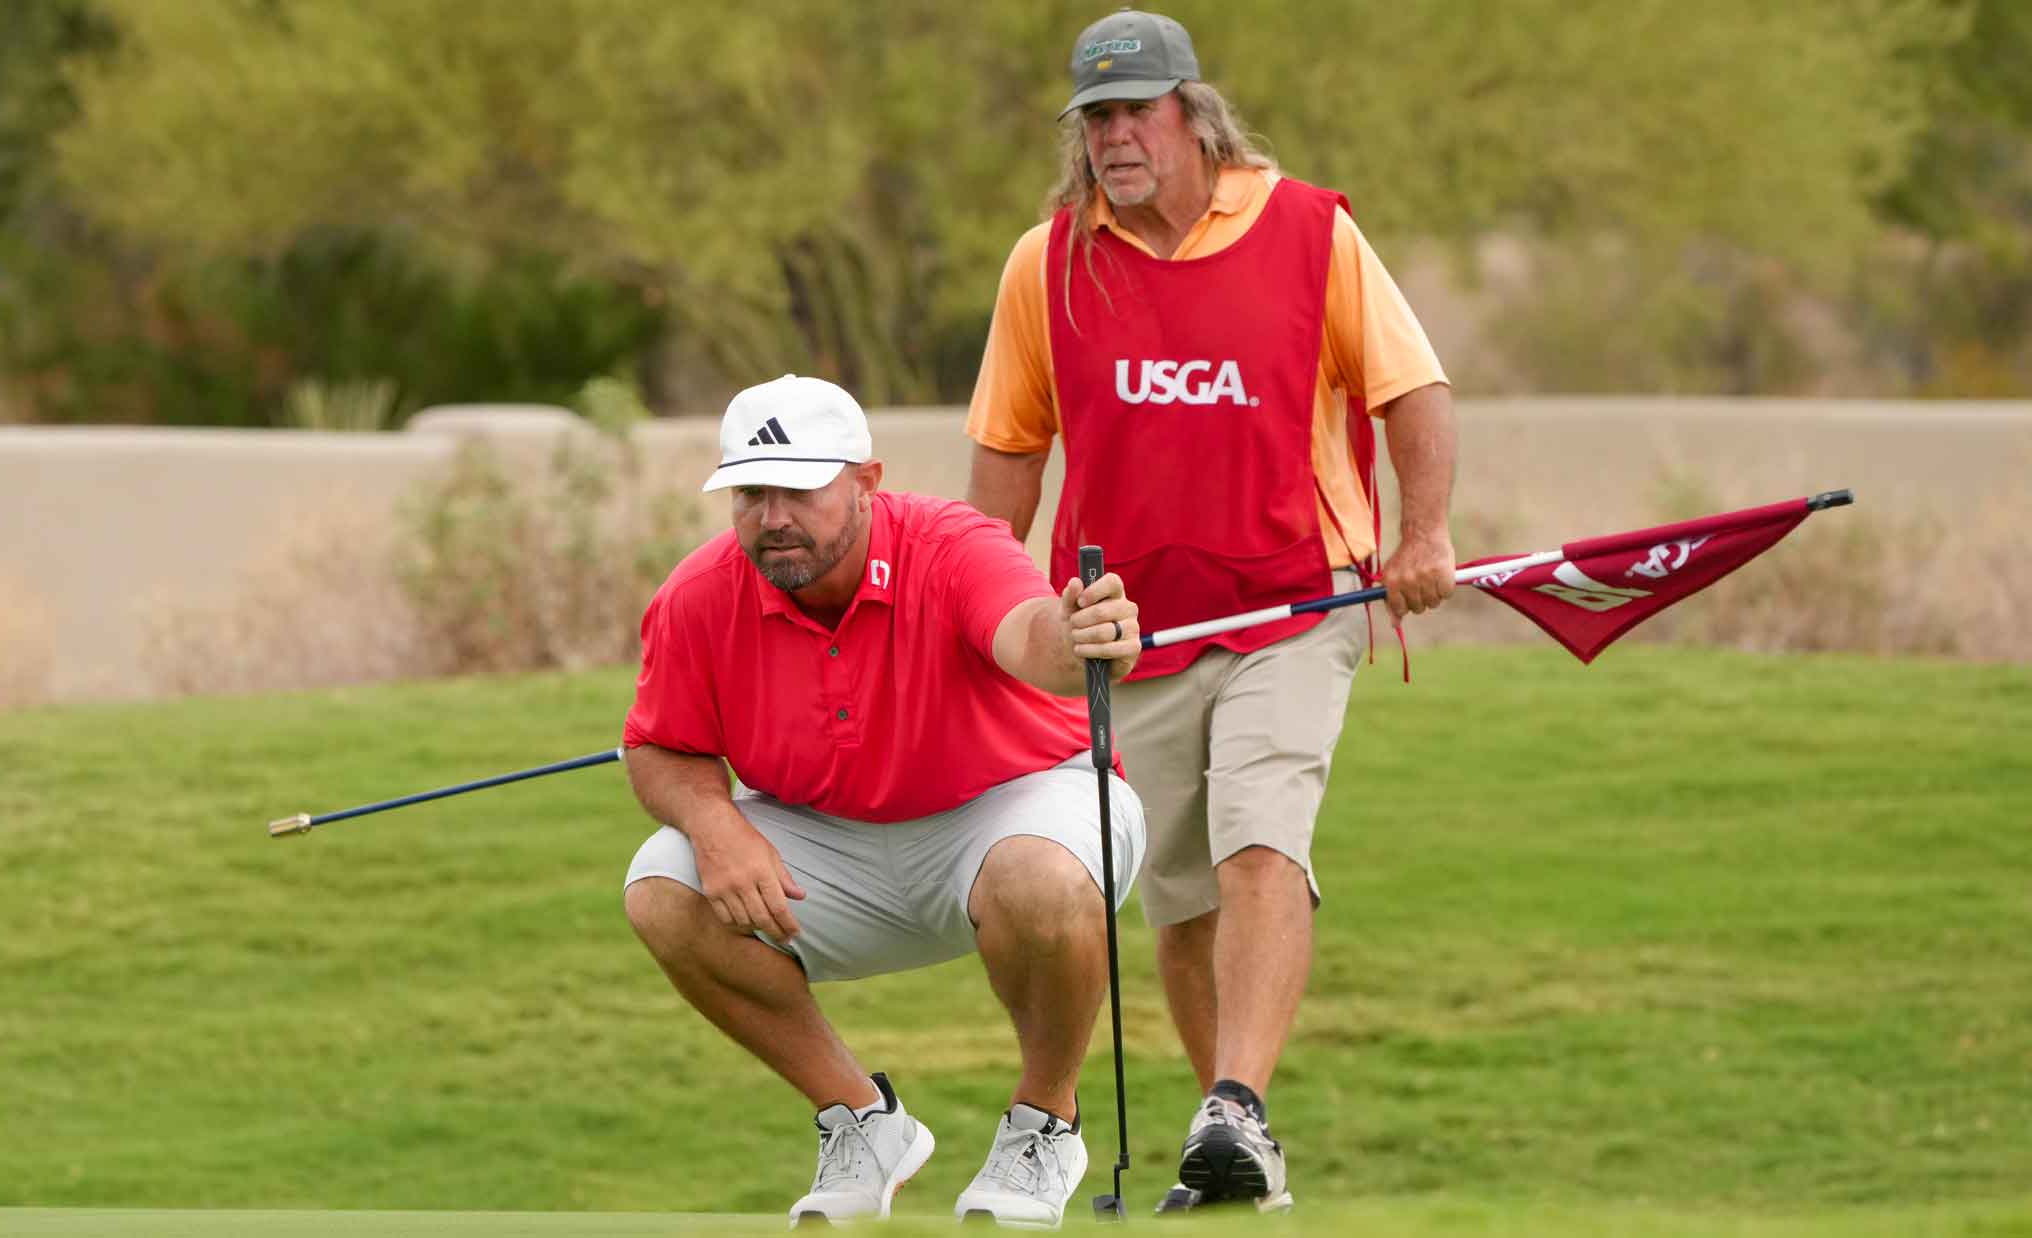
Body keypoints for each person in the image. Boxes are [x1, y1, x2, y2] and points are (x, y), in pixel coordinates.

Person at [964, 10, 1460, 1215]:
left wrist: (1422, 533)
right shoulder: (1048, 261)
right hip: (1134, 633)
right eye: (1096, 119)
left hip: (1297, 599)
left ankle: (1234, 1097)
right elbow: (1006, 451)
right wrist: (995, 604)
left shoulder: (1307, 231)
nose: (1116, 136)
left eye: (1137, 110)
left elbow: (1412, 388)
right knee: (1177, 895)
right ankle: (1231, 1140)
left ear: (1193, 111)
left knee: (1257, 836)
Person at [620, 374, 1150, 1228]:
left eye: (800, 489)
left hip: (1017, 804)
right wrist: (714, 822)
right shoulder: (698, 594)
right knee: (662, 887)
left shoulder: (950, 543)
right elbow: (657, 744)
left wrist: (1081, 635)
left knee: (1039, 880)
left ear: (866, 482)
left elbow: (1032, 636)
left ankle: (1046, 1122)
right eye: (751, 493)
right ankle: (863, 1122)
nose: (773, 515)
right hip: (834, 843)